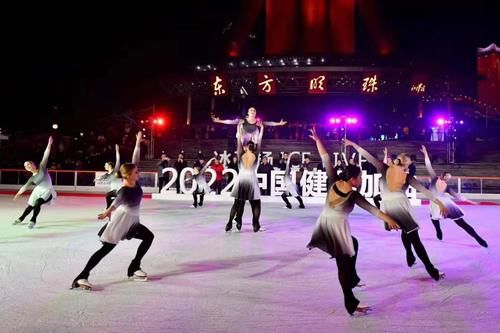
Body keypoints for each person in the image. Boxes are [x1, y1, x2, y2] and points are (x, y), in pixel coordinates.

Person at [307, 128, 400, 315]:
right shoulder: (353, 195)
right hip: (335, 228)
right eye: (360, 177)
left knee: (353, 245)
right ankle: (350, 302)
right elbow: (374, 211)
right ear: (352, 179)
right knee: (343, 266)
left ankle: (352, 278)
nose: (362, 179)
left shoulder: (333, 180)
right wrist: (390, 219)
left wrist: (317, 138)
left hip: (325, 223)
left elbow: (325, 157)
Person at [346, 139, 447, 281]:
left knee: (406, 232)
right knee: (415, 239)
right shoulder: (406, 177)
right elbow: (425, 191)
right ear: (406, 164)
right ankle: (432, 270)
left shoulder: (384, 168)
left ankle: (409, 254)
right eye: (407, 165)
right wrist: (440, 203)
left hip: (387, 207)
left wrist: (353, 144)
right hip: (399, 206)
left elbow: (368, 156)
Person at [71, 131, 154, 290]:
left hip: (133, 221)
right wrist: (107, 212)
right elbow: (115, 203)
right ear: (129, 175)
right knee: (105, 249)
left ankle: (134, 267)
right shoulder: (124, 190)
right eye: (136, 172)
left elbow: (135, 159)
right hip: (122, 222)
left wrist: (137, 143)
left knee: (148, 237)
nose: (139, 173)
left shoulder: (135, 183)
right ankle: (81, 277)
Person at [421, 145, 488, 247]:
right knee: (434, 217)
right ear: (442, 176)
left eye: (449, 178)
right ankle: (439, 231)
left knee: (460, 223)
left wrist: (471, 202)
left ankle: (478, 238)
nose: (448, 179)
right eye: (447, 177)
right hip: (436, 203)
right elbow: (428, 166)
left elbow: (458, 196)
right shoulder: (435, 179)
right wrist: (425, 153)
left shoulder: (447, 187)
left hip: (444, 203)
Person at [225, 121, 264, 232]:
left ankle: (229, 223)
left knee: (237, 203)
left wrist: (239, 127)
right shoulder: (256, 155)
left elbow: (238, 140)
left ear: (246, 147)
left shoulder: (241, 154)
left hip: (241, 181)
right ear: (254, 147)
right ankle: (255, 224)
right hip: (251, 181)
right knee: (256, 203)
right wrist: (261, 129)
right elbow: (260, 140)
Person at [13, 136, 57, 229]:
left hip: (47, 191)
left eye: (29, 164)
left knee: (38, 202)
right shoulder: (32, 179)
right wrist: (18, 194)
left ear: (33, 164)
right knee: (30, 206)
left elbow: (46, 155)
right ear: (26, 169)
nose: (28, 166)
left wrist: (49, 144)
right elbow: (24, 187)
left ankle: (33, 220)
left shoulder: (42, 167)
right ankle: (21, 218)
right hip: (38, 191)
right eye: (26, 166)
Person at [212, 106, 287, 146]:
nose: (253, 111)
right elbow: (230, 122)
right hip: (243, 138)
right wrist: (219, 120)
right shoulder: (243, 120)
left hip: (253, 140)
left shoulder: (258, 122)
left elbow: (269, 123)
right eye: (251, 110)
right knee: (240, 127)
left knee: (256, 133)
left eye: (254, 110)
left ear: (256, 113)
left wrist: (279, 123)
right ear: (248, 112)